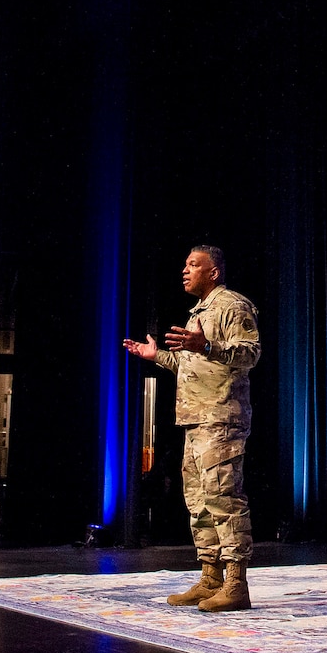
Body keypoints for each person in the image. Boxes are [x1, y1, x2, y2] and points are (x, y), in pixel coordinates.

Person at [123, 244, 261, 612]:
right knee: (199, 503)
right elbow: (194, 365)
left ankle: (236, 583)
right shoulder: (198, 312)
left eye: (194, 265)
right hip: (195, 420)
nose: (185, 270)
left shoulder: (233, 305)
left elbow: (250, 353)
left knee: (224, 499)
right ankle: (210, 578)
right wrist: (159, 357)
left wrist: (208, 344)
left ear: (213, 272)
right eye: (185, 264)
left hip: (221, 418)